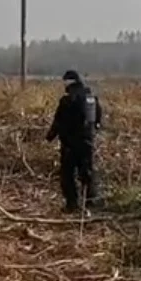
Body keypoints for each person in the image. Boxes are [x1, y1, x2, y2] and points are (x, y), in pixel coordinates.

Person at [46, 69, 103, 212]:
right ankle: (91, 202)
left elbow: (59, 121)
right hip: (87, 141)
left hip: (70, 144)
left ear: (68, 82)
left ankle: (72, 205)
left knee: (68, 175)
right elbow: (98, 118)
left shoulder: (67, 99)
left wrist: (50, 136)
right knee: (87, 172)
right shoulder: (91, 97)